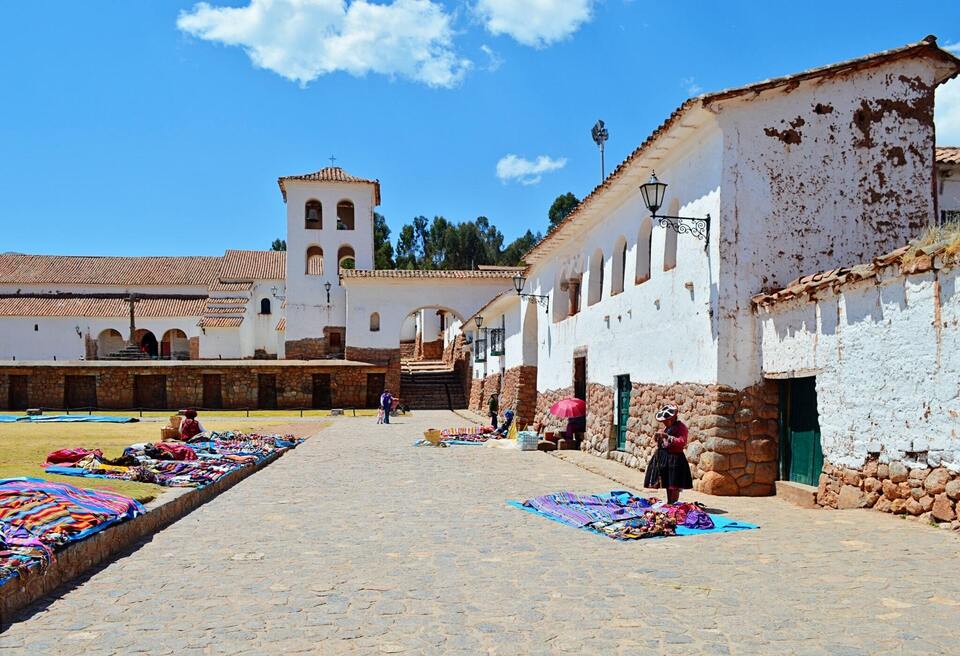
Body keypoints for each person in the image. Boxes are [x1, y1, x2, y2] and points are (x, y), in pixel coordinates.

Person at [643, 403, 693, 504]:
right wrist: (659, 437)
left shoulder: (680, 427)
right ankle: (670, 502)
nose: (664, 423)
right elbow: (664, 440)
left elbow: (682, 441)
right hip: (666, 459)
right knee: (668, 483)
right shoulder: (668, 428)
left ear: (671, 419)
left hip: (676, 459)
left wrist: (667, 437)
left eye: (665, 421)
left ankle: (673, 503)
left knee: (674, 484)